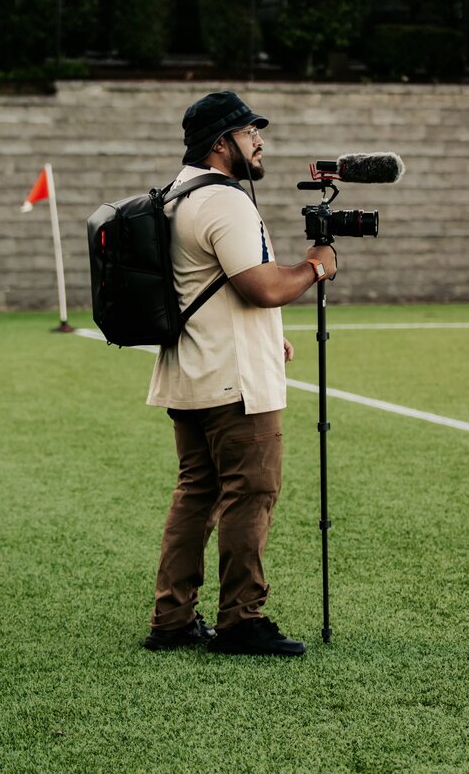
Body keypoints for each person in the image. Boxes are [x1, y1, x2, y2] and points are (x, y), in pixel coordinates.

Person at [142, 90, 337, 657]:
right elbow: (261, 287)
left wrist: (267, 336)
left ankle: (172, 618)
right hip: (234, 385)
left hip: (191, 373)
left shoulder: (177, 195)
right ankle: (240, 621)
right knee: (250, 494)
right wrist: (316, 267)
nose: (260, 141)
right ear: (221, 143)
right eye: (251, 132)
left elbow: (207, 286)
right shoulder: (225, 201)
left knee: (196, 495)